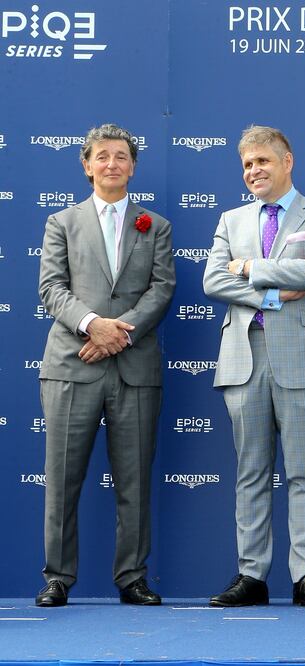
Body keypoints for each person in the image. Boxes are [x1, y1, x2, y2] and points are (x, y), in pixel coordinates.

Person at [203, 125, 305, 608]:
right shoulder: (230, 220)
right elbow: (211, 281)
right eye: (246, 164)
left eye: (262, 161)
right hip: (244, 356)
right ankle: (252, 576)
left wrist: (248, 267)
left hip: (303, 356)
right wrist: (269, 292)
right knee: (251, 472)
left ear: (288, 161)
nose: (254, 171)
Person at [35, 123, 176, 607]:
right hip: (71, 365)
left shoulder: (155, 226)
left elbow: (161, 290)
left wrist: (116, 334)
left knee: (134, 480)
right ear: (87, 165)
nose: (111, 164)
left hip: (134, 369)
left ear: (133, 166)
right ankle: (57, 577)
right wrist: (93, 325)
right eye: (102, 156)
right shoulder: (62, 222)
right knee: (62, 477)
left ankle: (132, 576)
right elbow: (52, 288)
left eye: (121, 156)